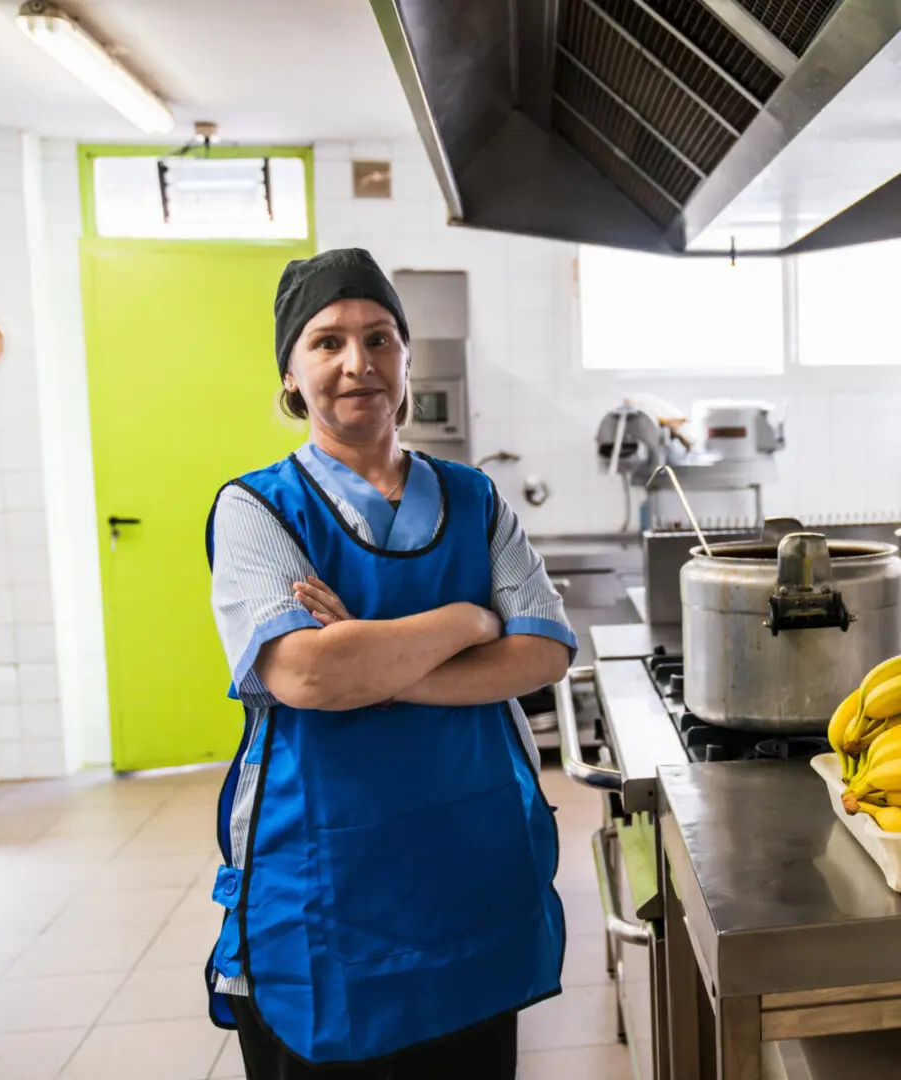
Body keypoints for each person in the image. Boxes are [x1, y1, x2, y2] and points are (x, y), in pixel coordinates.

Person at [203, 248, 572, 1078]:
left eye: (379, 338)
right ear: (292, 376)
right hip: (329, 895)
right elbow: (305, 676)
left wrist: (369, 649)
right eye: (327, 342)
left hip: (474, 877)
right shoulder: (258, 510)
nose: (356, 363)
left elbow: (544, 648)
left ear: (407, 360)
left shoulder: (473, 497)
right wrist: (470, 616)